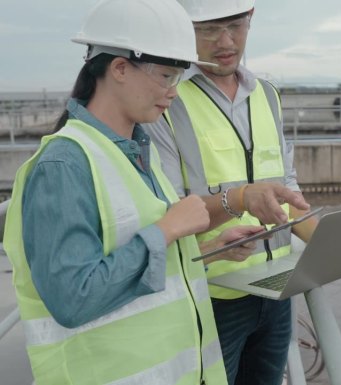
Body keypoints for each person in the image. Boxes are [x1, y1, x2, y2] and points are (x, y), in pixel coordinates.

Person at [2, 0, 268, 383]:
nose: (174, 92)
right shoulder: (63, 165)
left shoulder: (138, 151)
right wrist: (167, 230)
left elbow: (135, 260)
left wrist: (208, 250)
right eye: (166, 76)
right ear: (120, 68)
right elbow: (73, 297)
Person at [145, 1, 316, 383]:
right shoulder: (166, 101)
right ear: (184, 28)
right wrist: (240, 199)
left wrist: (326, 241)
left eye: (234, 26)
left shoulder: (268, 94)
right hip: (212, 295)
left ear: (250, 20)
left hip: (277, 288)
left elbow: (286, 184)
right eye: (208, 30)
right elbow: (168, 210)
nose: (225, 42)